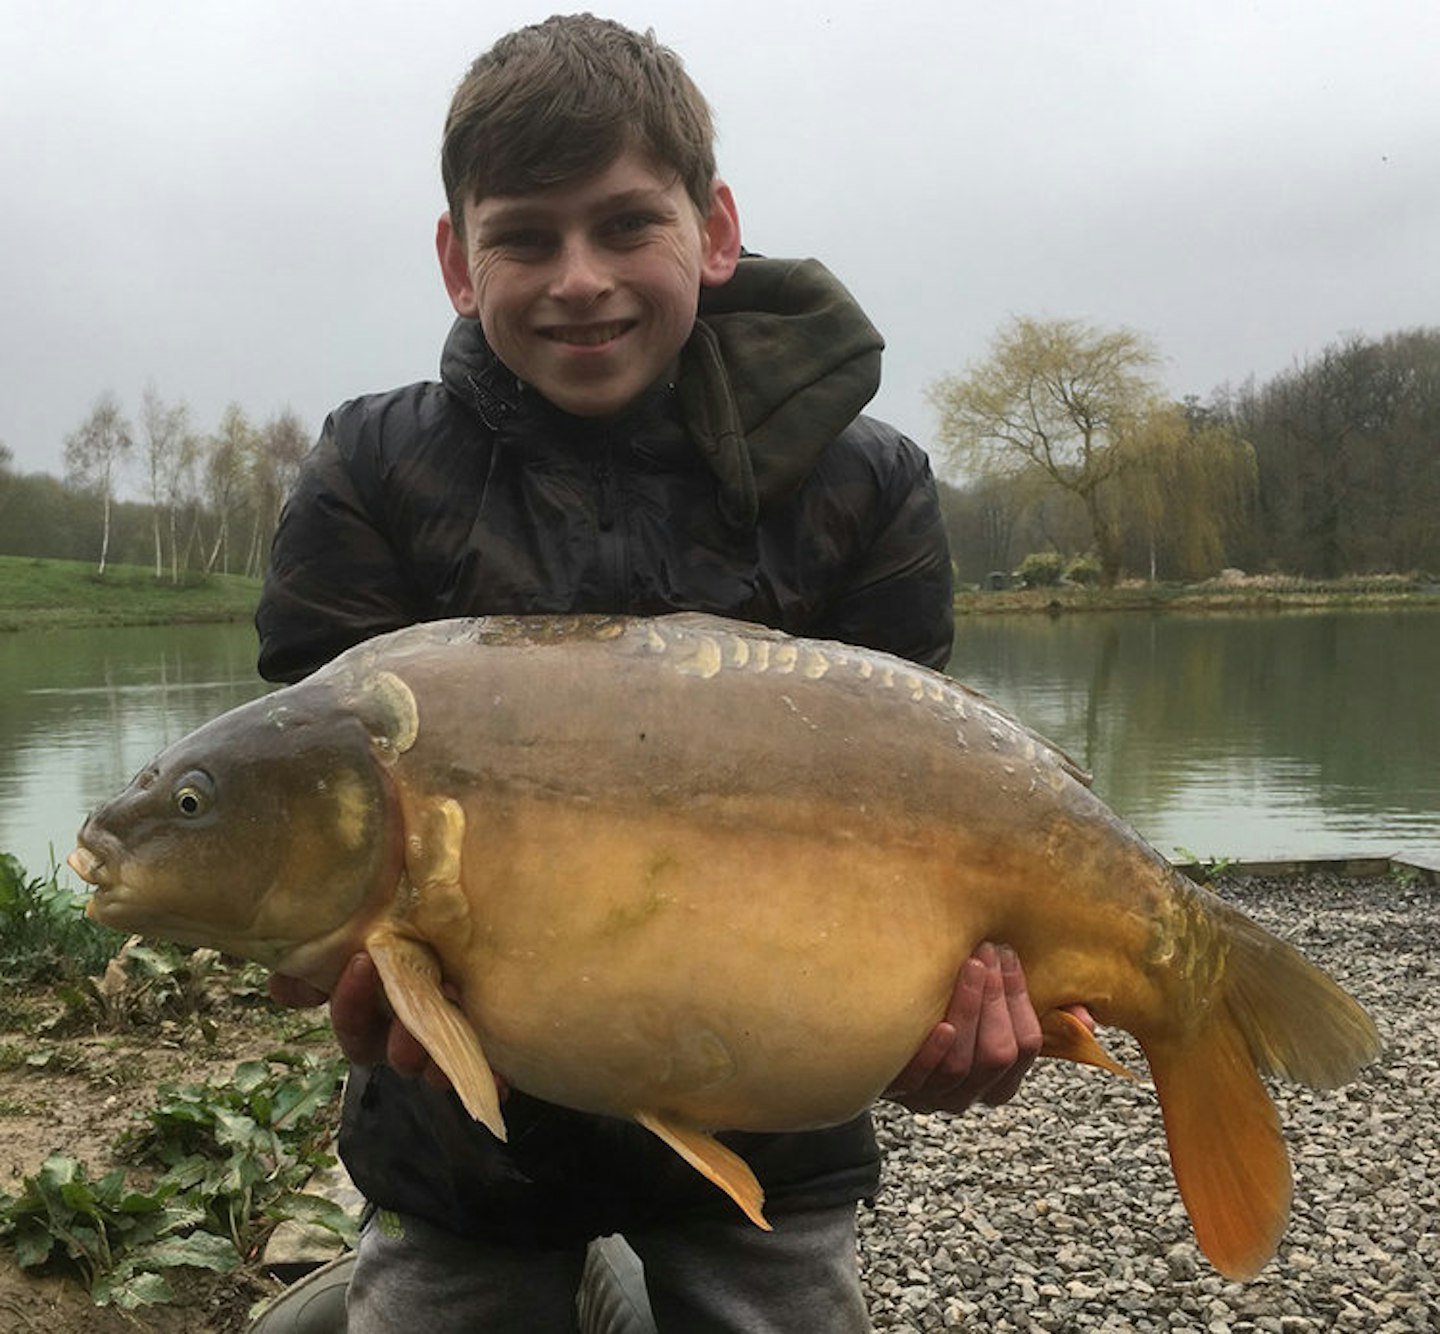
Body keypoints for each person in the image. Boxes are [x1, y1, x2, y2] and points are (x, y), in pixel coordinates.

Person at [253, 15, 1074, 1332]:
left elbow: (923, 811)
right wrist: (333, 963)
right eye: (526, 236)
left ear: (718, 228)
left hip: (769, 1108)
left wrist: (933, 1012)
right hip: (460, 1133)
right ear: (460, 261)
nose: (579, 277)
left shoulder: (868, 482)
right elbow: (299, 801)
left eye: (627, 224)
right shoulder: (368, 473)